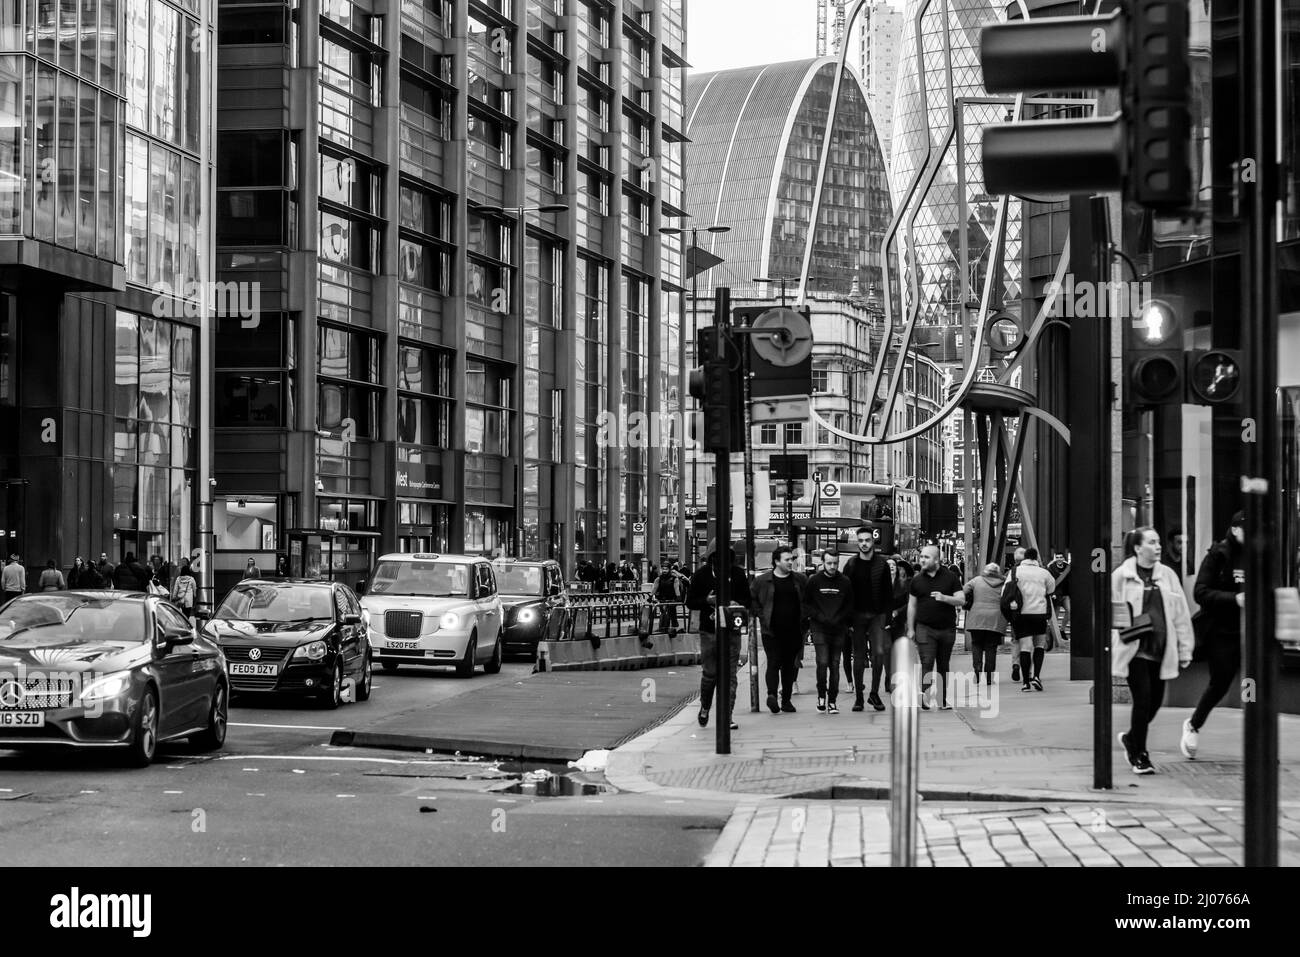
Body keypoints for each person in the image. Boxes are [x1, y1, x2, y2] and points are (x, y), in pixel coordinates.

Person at [1113, 527, 1193, 774]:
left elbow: (1180, 614)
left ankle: (1130, 739)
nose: (1158, 546)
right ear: (1138, 548)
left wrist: (1185, 648)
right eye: (1152, 542)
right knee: (1143, 699)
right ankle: (1140, 755)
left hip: (1161, 649)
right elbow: (1111, 614)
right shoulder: (1121, 576)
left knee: (1155, 702)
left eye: (1159, 542)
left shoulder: (1167, 575)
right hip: (1135, 648)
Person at [1182, 512, 1246, 759]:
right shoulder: (1218, 555)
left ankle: (1257, 739)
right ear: (1235, 529)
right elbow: (1200, 592)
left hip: (1249, 631)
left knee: (1254, 683)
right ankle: (1194, 724)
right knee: (1221, 681)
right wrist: (1235, 599)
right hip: (1221, 631)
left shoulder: (1256, 556)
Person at [685, 541, 753, 730]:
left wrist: (735, 602)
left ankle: (726, 715)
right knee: (710, 674)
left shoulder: (738, 574)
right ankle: (705, 707)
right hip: (709, 630)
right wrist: (707, 600)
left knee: (730, 676)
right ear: (712, 557)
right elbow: (690, 601)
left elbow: (748, 600)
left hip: (732, 631)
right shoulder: (701, 575)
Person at [841, 527, 894, 712]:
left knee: (878, 654)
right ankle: (858, 697)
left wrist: (888, 616)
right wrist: (847, 619)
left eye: (867, 540)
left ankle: (874, 693)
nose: (864, 543)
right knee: (859, 656)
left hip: (877, 615)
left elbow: (888, 592)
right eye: (861, 540)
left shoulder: (882, 564)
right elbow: (845, 593)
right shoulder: (851, 565)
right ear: (858, 542)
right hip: (857, 616)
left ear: (873, 542)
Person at [751, 545, 807, 714]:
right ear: (777, 561)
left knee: (790, 666)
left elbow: (808, 600)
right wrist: (761, 616)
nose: (791, 562)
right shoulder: (763, 581)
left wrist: (806, 621)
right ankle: (772, 695)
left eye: (792, 559)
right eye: (787, 560)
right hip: (772, 631)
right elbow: (752, 599)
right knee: (773, 662)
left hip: (794, 630)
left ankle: (787, 701)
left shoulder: (800, 579)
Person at [906, 545, 964, 710]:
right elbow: (912, 605)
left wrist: (944, 598)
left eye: (926, 557)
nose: (922, 560)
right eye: (921, 556)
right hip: (924, 628)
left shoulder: (950, 577)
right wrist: (910, 629)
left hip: (947, 629)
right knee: (927, 662)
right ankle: (924, 696)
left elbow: (961, 600)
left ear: (937, 560)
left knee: (943, 664)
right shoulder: (916, 580)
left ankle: (942, 699)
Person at [802, 546, 855, 714]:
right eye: (829, 563)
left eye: (835, 563)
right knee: (822, 662)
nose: (832, 566)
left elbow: (850, 605)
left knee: (834, 664)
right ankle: (821, 697)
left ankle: (832, 700)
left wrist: (841, 619)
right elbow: (806, 604)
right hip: (819, 627)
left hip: (838, 627)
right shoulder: (814, 581)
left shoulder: (845, 582)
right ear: (823, 563)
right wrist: (819, 616)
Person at [1008, 547, 1056, 692]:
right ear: (1036, 558)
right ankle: (1036, 676)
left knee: (1025, 647)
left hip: (1022, 614)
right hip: (1039, 613)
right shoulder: (1044, 572)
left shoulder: (1015, 572)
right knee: (1040, 645)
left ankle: (1025, 682)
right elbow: (1051, 589)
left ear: (1025, 558)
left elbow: (1006, 590)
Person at [964, 562, 1009, 697]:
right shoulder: (1003, 582)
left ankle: (977, 669)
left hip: (977, 617)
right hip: (996, 618)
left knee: (976, 644)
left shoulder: (977, 581)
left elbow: (964, 590)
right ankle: (989, 676)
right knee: (991, 647)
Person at [653, 562, 683, 635]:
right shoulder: (658, 578)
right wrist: (651, 596)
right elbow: (655, 588)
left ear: (669, 569)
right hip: (662, 599)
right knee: (663, 613)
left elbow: (676, 588)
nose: (664, 570)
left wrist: (678, 597)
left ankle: (674, 628)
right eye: (663, 569)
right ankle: (662, 628)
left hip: (672, 599)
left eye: (666, 569)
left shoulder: (674, 578)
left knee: (672, 613)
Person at [1047, 550, 1071, 630]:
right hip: (1056, 595)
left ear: (1063, 558)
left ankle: (1062, 630)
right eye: (1057, 557)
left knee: (1069, 611)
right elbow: (1050, 581)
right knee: (1055, 617)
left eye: (1061, 557)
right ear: (1055, 558)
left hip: (1065, 594)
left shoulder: (1067, 566)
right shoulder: (1051, 567)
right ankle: (1053, 633)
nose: (1059, 559)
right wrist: (1052, 593)